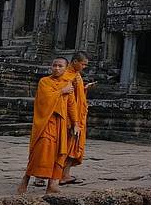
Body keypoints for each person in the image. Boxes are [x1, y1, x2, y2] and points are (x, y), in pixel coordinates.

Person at [17, 57, 79, 194]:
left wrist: (75, 123)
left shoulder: (68, 83)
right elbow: (44, 100)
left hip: (61, 123)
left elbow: (71, 105)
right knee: (41, 152)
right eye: (54, 65)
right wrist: (62, 91)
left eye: (60, 66)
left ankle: (52, 184)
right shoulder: (44, 82)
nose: (57, 68)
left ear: (65, 68)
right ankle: (25, 180)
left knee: (59, 153)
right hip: (46, 122)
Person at [60, 51, 96, 186]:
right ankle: (55, 175)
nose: (84, 67)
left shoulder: (76, 75)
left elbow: (75, 95)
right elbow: (66, 99)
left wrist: (84, 88)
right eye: (83, 64)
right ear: (75, 62)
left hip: (78, 116)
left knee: (73, 146)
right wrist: (72, 120)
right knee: (65, 146)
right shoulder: (67, 75)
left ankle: (65, 174)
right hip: (70, 117)